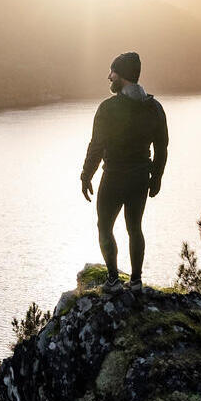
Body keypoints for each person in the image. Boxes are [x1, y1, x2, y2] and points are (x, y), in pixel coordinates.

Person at [79, 51, 169, 286]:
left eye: (113, 72)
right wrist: (156, 177)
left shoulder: (108, 108)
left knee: (104, 226)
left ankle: (113, 280)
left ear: (122, 76)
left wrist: (86, 175)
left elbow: (96, 146)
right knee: (135, 228)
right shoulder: (155, 108)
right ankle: (136, 281)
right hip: (140, 176)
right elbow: (162, 147)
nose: (109, 77)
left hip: (114, 178)